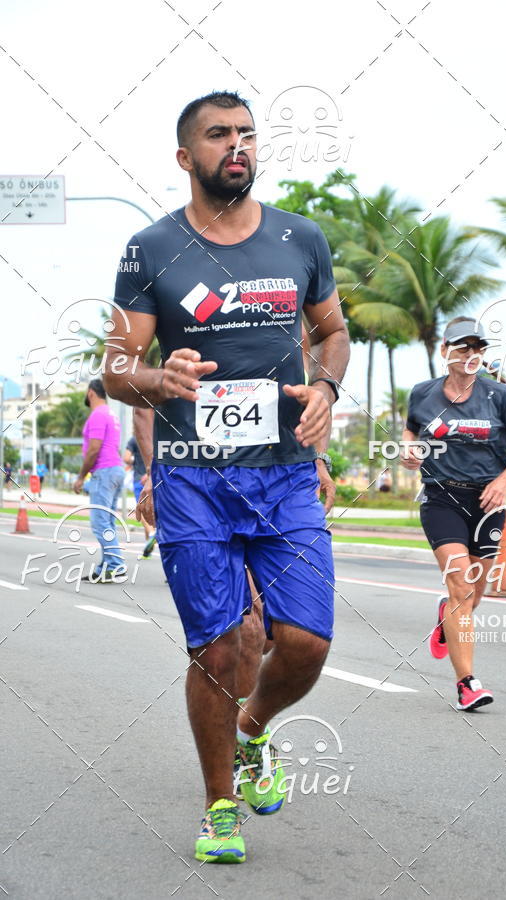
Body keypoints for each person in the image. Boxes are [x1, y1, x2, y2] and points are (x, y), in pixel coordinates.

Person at [103, 90, 349, 864]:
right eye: (218, 136)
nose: (236, 146)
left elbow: (333, 332)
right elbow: (113, 368)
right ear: (187, 157)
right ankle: (219, 808)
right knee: (216, 652)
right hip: (192, 478)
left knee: (304, 642)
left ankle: (251, 733)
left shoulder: (298, 238)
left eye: (246, 134)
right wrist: (157, 375)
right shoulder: (152, 249)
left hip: (283, 477)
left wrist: (328, 390)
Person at [401, 316, 506, 711]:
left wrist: (505, 481)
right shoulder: (423, 394)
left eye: (478, 349)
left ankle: (448, 615)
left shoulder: (500, 396)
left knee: (473, 593)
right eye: (463, 348)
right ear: (445, 352)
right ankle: (467, 684)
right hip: (442, 498)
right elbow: (411, 429)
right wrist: (409, 450)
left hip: (488, 502)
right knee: (461, 586)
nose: (471, 356)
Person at [74, 379, 126, 582]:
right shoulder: (111, 414)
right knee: (108, 523)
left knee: (99, 523)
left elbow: (94, 448)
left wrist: (80, 477)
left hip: (104, 472)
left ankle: (116, 564)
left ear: (90, 393)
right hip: (115, 469)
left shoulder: (98, 415)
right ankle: (105, 567)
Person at [124, 433, 156, 558]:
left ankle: (152, 533)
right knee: (150, 508)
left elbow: (126, 458)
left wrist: (135, 460)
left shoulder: (135, 439)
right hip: (155, 477)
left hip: (140, 479)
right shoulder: (156, 436)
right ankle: (147, 551)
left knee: (142, 510)